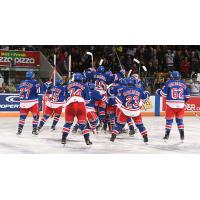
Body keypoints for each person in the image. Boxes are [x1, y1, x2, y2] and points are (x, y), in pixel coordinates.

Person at [110, 77, 150, 143]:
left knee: (119, 125)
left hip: (126, 111)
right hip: (136, 111)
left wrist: (120, 105)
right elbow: (145, 98)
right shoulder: (139, 89)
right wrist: (147, 93)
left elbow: (117, 100)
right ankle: (145, 137)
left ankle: (113, 137)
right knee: (140, 125)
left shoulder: (123, 90)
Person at [156, 71, 190, 142]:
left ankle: (166, 136)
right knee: (180, 121)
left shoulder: (168, 82)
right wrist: (185, 102)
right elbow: (187, 96)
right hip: (180, 105)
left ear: (171, 76)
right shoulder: (183, 83)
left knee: (169, 121)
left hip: (170, 105)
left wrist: (158, 92)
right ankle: (182, 136)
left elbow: (163, 94)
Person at [62, 73, 92, 145]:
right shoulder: (85, 86)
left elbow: (65, 97)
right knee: (83, 123)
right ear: (81, 78)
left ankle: (63, 139)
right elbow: (88, 100)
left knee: (68, 123)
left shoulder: (68, 85)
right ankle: (87, 140)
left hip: (70, 105)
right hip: (80, 104)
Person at [16, 71, 40, 135]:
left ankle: (19, 130)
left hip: (23, 103)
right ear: (32, 75)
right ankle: (34, 130)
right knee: (36, 116)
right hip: (32, 102)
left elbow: (18, 88)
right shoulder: (35, 82)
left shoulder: (22, 82)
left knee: (22, 117)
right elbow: (38, 91)